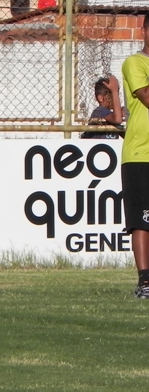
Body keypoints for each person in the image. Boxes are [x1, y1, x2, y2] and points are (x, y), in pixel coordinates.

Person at [121, 14, 149, 298]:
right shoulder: (135, 63)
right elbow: (146, 96)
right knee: (142, 220)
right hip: (141, 154)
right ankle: (145, 281)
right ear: (144, 30)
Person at [81, 75, 127, 139]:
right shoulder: (99, 112)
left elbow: (125, 134)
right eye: (111, 94)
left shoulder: (110, 116)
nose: (115, 98)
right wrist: (114, 91)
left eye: (116, 94)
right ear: (100, 98)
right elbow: (117, 120)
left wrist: (120, 113)